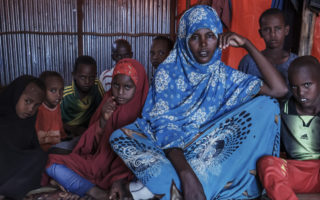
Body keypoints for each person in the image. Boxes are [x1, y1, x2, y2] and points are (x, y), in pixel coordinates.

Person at [109, 5, 288, 200]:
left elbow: (279, 90)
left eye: (210, 35)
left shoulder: (223, 75)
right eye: (195, 37)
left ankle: (152, 189)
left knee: (268, 106)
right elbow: (165, 129)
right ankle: (187, 183)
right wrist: (187, 175)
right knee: (120, 137)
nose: (203, 44)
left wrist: (247, 44)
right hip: (172, 152)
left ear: (219, 38)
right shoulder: (167, 73)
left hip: (208, 152)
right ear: (185, 40)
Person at [43, 59, 149, 199]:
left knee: (144, 181)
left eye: (128, 87)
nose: (120, 92)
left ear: (139, 86)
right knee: (52, 165)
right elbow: (89, 145)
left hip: (126, 167)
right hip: (99, 160)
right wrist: (103, 120)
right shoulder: (109, 100)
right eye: (116, 85)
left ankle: (87, 187)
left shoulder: (146, 108)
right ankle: (96, 192)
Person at [257, 56, 320, 200]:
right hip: (296, 170)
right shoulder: (282, 109)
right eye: (294, 87)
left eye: (307, 85)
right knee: (266, 163)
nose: (301, 93)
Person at [0, 75, 47, 199]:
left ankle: (7, 191)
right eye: (27, 101)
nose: (31, 109)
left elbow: (34, 150)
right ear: (16, 94)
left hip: (15, 171)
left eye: (37, 105)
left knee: (41, 156)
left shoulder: (28, 121)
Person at [238, 8, 297, 86]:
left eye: (278, 28)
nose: (273, 34)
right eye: (267, 30)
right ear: (260, 33)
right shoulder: (248, 62)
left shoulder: (295, 63)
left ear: (286, 30)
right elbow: (239, 92)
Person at [61, 55, 104, 143]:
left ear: (95, 75)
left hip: (89, 131)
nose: (87, 82)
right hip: (67, 133)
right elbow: (52, 120)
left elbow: (102, 108)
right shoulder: (65, 94)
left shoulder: (97, 85)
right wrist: (74, 129)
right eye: (82, 77)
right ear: (74, 75)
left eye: (91, 77)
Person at [35, 71, 67, 152]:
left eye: (61, 90)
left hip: (58, 145)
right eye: (53, 90)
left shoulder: (57, 106)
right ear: (42, 91)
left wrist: (63, 137)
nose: (59, 95)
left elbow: (60, 128)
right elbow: (37, 140)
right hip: (44, 150)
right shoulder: (38, 110)